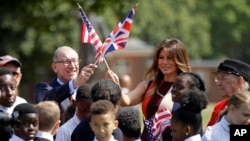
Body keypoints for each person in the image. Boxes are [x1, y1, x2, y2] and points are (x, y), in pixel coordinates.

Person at [106, 38, 191, 140]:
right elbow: (125, 101)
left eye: (169, 58)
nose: (164, 62)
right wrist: (116, 84)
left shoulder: (187, 89)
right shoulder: (148, 85)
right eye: (161, 57)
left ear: (179, 60)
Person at [33, 46, 97, 114]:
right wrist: (74, 84)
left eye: (75, 61)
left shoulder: (87, 92)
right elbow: (45, 103)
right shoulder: (43, 89)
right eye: (66, 61)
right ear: (55, 67)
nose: (72, 66)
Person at [207, 59, 250, 126]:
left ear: (240, 81)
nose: (218, 83)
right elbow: (209, 133)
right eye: (218, 78)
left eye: (223, 78)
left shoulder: (248, 106)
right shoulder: (219, 106)